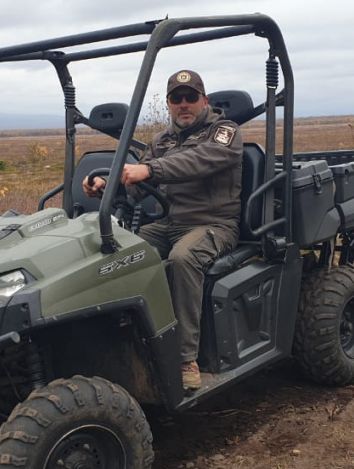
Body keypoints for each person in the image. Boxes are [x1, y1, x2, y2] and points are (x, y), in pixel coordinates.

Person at [83, 69, 243, 390]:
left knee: (183, 259)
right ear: (169, 103)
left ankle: (186, 359)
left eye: (190, 97)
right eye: (176, 98)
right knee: (122, 254)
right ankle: (126, 339)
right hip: (169, 223)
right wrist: (106, 186)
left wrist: (149, 168)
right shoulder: (162, 141)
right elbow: (139, 189)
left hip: (213, 224)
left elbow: (201, 160)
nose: (184, 104)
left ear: (204, 100)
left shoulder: (223, 132)